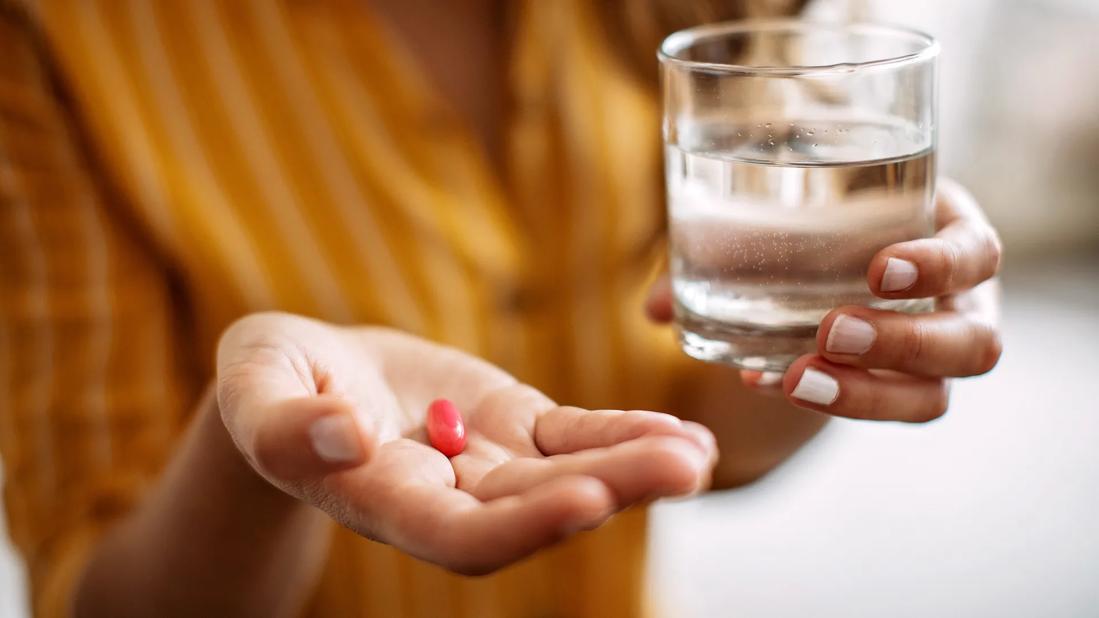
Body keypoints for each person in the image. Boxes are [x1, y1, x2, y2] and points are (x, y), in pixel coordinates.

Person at [0, 1, 1002, 616]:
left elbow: (706, 431)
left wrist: (835, 332)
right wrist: (263, 445)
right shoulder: (63, 31)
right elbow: (98, 594)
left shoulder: (700, 17)